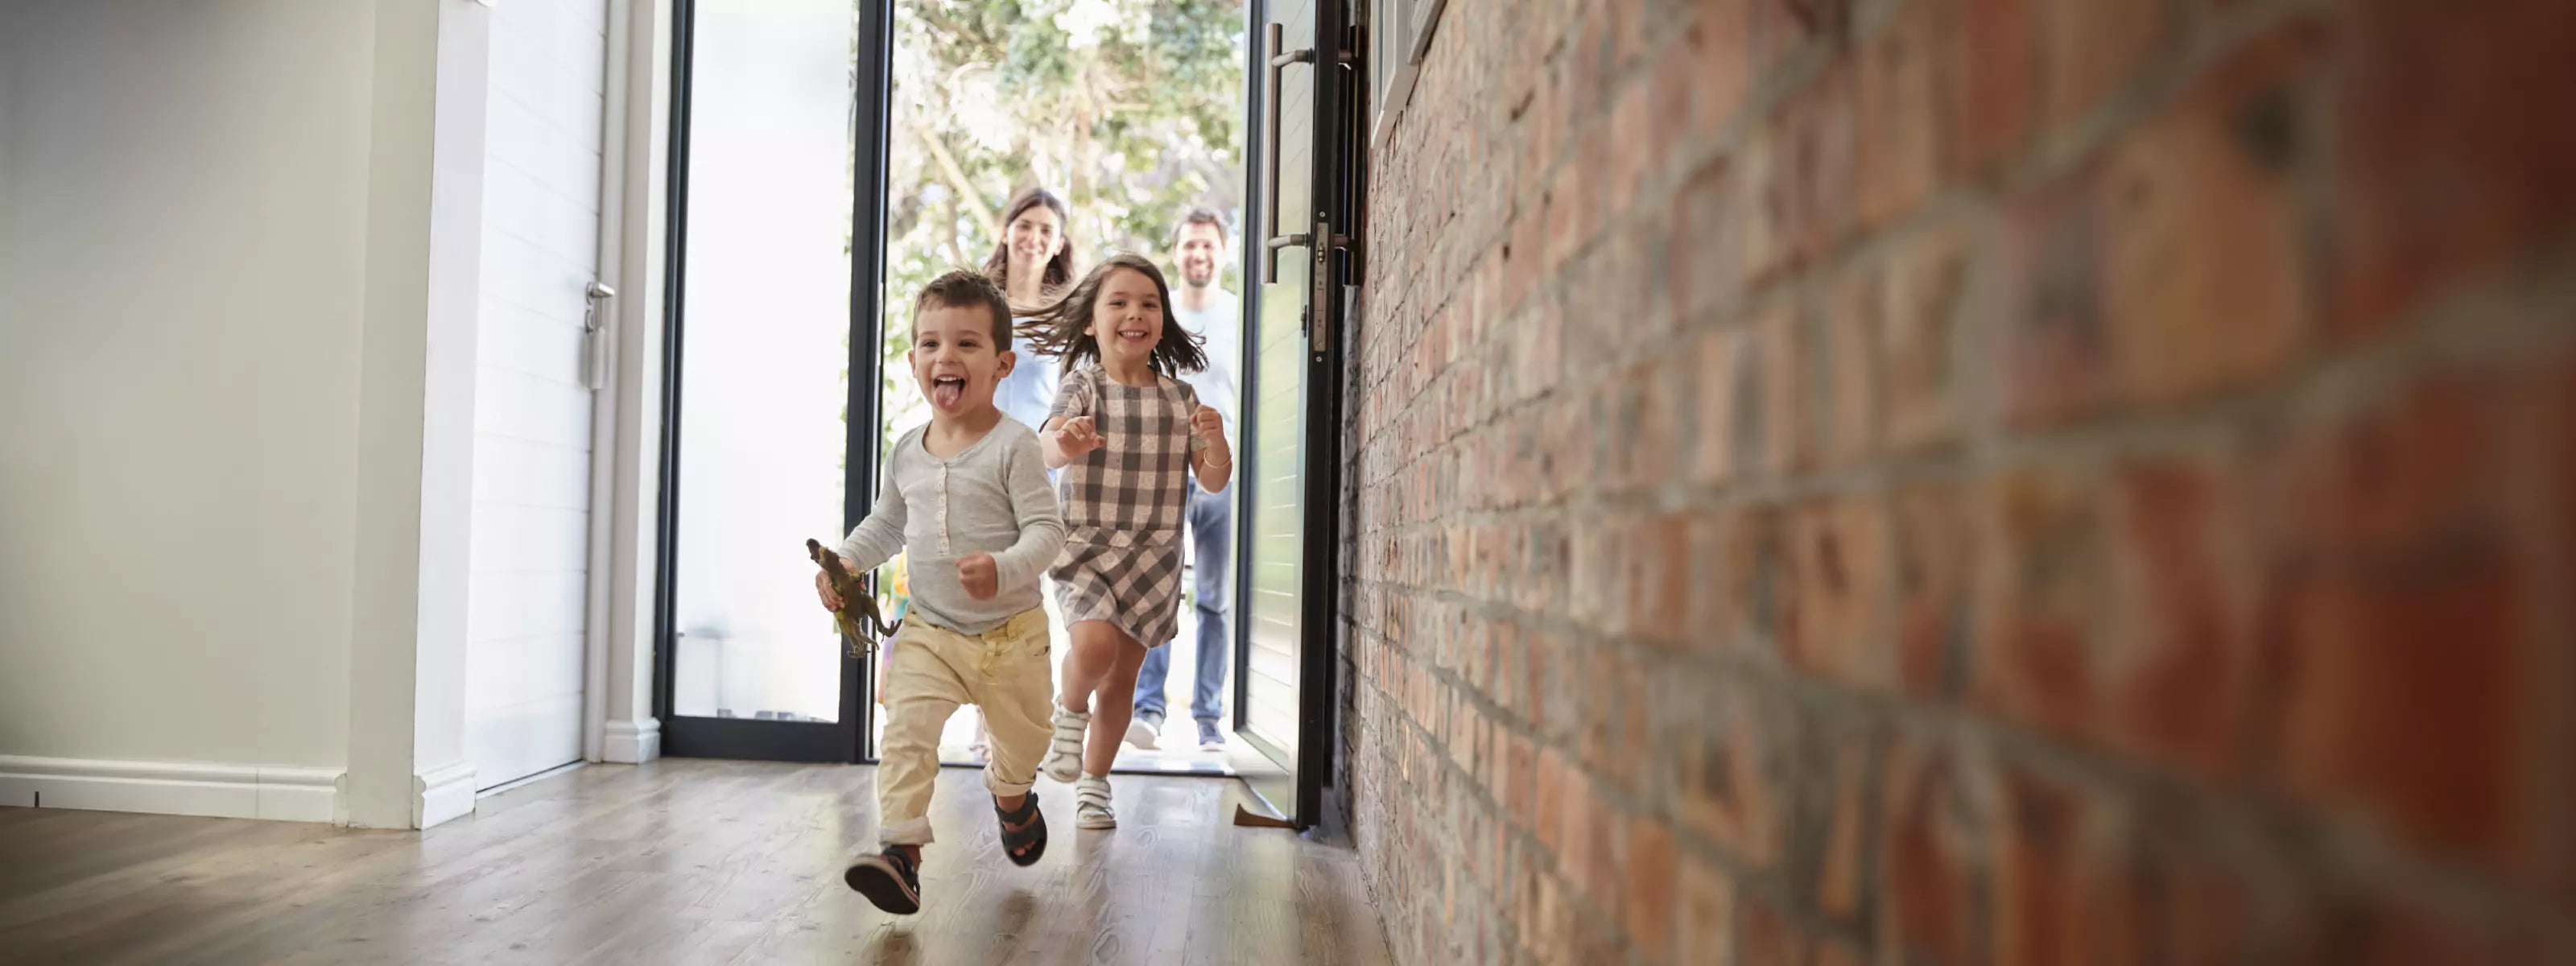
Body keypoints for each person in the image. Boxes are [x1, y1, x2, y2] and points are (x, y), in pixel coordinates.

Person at [820, 270, 1065, 915]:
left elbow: (1048, 531)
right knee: (906, 732)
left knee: (1026, 742)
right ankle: (901, 853)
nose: (945, 356)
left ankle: (1012, 794)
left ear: (1002, 364)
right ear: (913, 363)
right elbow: (888, 523)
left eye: (966, 344)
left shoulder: (1016, 446)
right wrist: (846, 562)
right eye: (930, 344)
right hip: (929, 629)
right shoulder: (907, 451)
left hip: (1012, 635)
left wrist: (1004, 568)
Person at [1021, 254, 1232, 829]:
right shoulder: (1082, 386)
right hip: (1086, 550)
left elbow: (1214, 480)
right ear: (1091, 322)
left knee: (1121, 683)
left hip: (1154, 560)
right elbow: (1046, 449)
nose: (1135, 313)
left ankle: (1095, 783)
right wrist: (1067, 441)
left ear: (1163, 321)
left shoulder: (1182, 399)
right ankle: (1069, 713)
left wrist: (1215, 442)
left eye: (1148, 304)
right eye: (1118, 302)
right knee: (1093, 650)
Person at [1125, 209, 1240, 753]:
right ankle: (1148, 711)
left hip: (1220, 472)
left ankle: (1209, 719)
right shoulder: (1158, 317)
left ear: (1223, 252)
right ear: (1176, 252)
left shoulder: (1241, 317)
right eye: (1190, 244)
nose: (1199, 254)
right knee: (1157, 592)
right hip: (1163, 471)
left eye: (1208, 245)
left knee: (1215, 598)